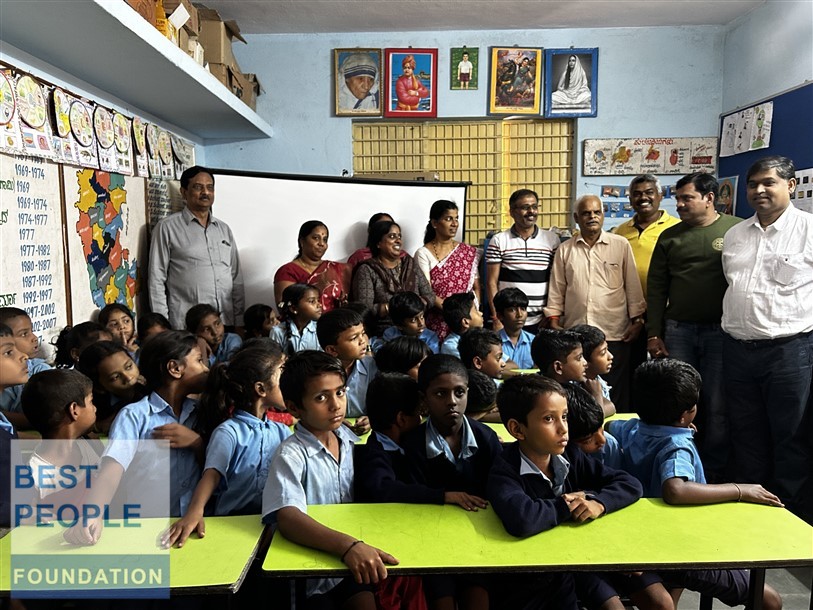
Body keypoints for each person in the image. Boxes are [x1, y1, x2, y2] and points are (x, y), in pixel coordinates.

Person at [607, 359, 783, 610]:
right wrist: (740, 490)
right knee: (769, 600)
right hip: (679, 549)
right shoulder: (676, 446)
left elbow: (611, 424)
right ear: (685, 414)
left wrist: (675, 428)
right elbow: (675, 490)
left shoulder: (629, 429)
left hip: (638, 540)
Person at [487, 375, 644, 610]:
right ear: (517, 429)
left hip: (574, 564)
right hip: (529, 578)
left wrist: (597, 503)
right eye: (549, 419)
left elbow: (630, 484)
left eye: (564, 417)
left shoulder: (570, 455)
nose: (563, 428)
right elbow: (522, 518)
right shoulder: (504, 471)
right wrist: (568, 505)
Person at [262, 350, 399, 608]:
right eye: (321, 397)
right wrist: (348, 547)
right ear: (293, 407)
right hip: (310, 571)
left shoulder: (348, 440)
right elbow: (288, 517)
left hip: (350, 566)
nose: (336, 404)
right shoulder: (291, 453)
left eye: (340, 392)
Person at [720, 155, 813, 517]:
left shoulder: (808, 229)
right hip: (738, 349)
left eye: (768, 183)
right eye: (753, 184)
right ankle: (751, 508)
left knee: (791, 436)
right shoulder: (735, 234)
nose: (759, 190)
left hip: (789, 351)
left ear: (790, 186)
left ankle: (789, 514)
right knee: (745, 433)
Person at [64, 331, 209, 545]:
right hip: (145, 528)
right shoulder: (134, 416)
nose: (206, 369)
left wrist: (197, 443)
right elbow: (112, 469)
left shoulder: (201, 412)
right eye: (198, 361)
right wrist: (93, 513)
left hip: (194, 526)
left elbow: (215, 468)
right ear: (175, 369)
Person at [645, 172, 741, 480]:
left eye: (688, 198)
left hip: (721, 332)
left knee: (716, 402)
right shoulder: (670, 237)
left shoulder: (736, 230)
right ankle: (679, 459)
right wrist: (655, 334)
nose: (681, 205)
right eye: (679, 199)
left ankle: (712, 467)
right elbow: (657, 289)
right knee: (678, 399)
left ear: (709, 198)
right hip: (679, 330)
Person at [400, 355, 502, 610]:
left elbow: (500, 488)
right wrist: (444, 496)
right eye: (440, 394)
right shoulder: (413, 444)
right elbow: (410, 496)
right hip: (431, 542)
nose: (452, 402)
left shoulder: (486, 438)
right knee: (441, 600)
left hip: (480, 541)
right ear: (425, 399)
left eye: (459, 392)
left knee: (479, 598)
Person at [168, 345, 291, 547]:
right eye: (282, 376)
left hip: (269, 526)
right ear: (260, 389)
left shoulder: (281, 431)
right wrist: (194, 513)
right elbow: (211, 476)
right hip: (230, 526)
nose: (289, 383)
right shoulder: (229, 432)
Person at [544, 195, 646, 411]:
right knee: (577, 387)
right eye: (586, 213)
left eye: (596, 212)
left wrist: (637, 320)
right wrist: (553, 318)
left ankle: (613, 436)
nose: (592, 217)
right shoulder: (565, 249)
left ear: (603, 215)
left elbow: (632, 285)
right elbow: (558, 287)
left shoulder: (620, 245)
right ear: (576, 218)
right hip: (576, 334)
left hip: (613, 332)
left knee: (616, 388)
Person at [149, 165, 245, 332]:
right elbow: (156, 279)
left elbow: (235, 277)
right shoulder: (167, 228)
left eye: (210, 187)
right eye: (198, 187)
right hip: (187, 326)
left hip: (224, 322)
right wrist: (162, 326)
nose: (205, 192)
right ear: (184, 192)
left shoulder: (223, 229)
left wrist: (239, 321)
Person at [19, 369, 100, 525]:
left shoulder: (89, 445)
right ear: (74, 410)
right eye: (91, 402)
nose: (95, 408)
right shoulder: (34, 476)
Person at [486, 189, 560, 333]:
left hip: (540, 321)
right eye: (525, 207)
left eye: (534, 206)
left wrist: (551, 315)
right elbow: (491, 282)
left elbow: (556, 282)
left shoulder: (552, 240)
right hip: (508, 321)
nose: (531, 211)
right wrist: (496, 317)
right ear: (512, 212)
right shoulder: (499, 240)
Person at [351, 220, 435, 337]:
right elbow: (364, 309)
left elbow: (430, 296)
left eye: (399, 236)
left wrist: (413, 307)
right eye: (392, 236)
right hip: (383, 333)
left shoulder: (410, 264)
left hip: (416, 331)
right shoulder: (367, 270)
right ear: (378, 243)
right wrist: (393, 308)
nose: (398, 240)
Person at [414, 200, 480, 339]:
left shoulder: (468, 251)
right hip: (439, 320)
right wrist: (455, 314)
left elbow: (476, 287)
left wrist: (471, 313)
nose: (455, 224)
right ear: (434, 223)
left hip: (468, 321)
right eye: (448, 219)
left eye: (456, 218)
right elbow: (427, 292)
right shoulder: (423, 253)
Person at [316, 308, 375, 435]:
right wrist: (331, 419)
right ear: (332, 350)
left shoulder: (372, 367)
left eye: (363, 333)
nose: (362, 341)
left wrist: (373, 419)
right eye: (354, 338)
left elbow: (382, 403)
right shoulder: (316, 373)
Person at [274, 220, 347, 314]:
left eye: (325, 239)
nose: (321, 243)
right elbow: (284, 307)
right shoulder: (288, 271)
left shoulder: (335, 268)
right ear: (302, 241)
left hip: (335, 325)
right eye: (316, 238)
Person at [77, 340, 148, 434]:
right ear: (99, 388)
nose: (128, 377)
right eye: (115, 377)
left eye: (129, 367)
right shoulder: (92, 409)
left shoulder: (154, 390)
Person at [0, 307, 51, 428]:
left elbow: (50, 418)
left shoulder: (41, 372)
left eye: (32, 331)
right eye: (24, 334)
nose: (34, 338)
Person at [570, 324, 615, 417]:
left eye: (607, 349)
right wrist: (597, 394)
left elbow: (611, 407)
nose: (610, 356)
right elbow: (595, 417)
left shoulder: (597, 380)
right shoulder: (572, 387)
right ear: (584, 360)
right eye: (603, 353)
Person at [271, 283, 323, 355]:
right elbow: (274, 360)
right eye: (312, 301)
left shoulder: (321, 328)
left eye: (318, 300)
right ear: (293, 308)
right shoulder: (278, 331)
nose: (319, 305)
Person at [492, 287, 534, 370]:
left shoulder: (534, 342)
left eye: (523, 309)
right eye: (512, 310)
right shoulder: (492, 343)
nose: (519, 315)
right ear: (500, 315)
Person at [439, 291, 484, 358]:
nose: (481, 313)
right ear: (465, 322)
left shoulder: (481, 336)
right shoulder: (451, 346)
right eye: (476, 310)